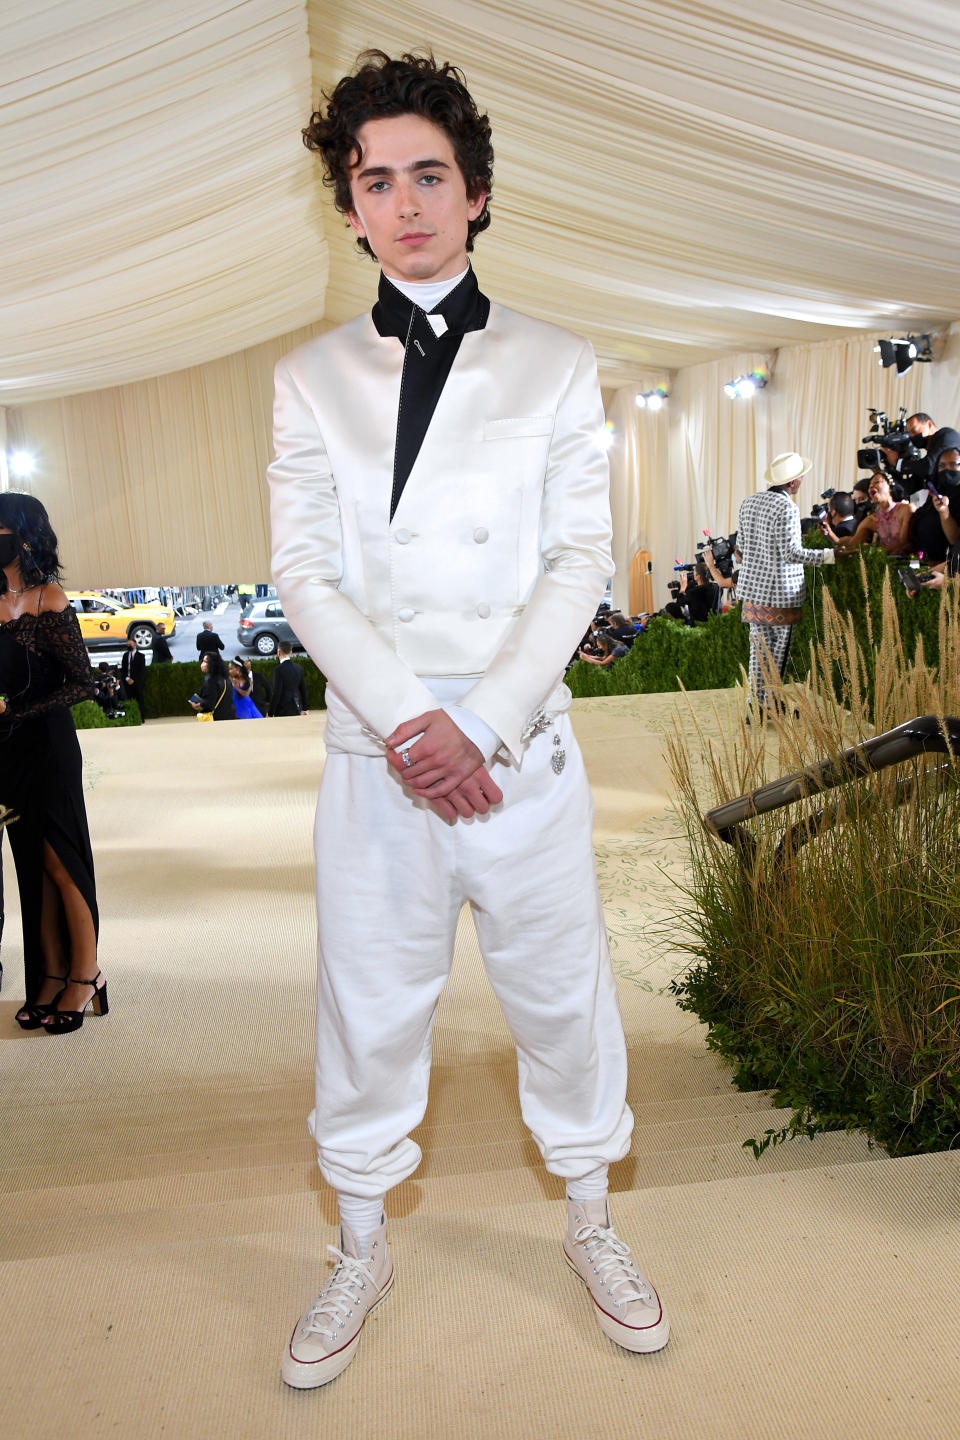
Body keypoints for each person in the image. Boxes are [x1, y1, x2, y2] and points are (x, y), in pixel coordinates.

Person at [268, 50, 667, 1392]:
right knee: (370, 1011)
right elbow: (303, 573)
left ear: (477, 192)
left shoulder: (558, 360)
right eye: (374, 181)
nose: (404, 203)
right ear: (353, 208)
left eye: (427, 175)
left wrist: (479, 724)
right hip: (378, 762)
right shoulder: (308, 375)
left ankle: (592, 1223)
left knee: (562, 1001)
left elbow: (576, 560)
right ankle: (363, 1243)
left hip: (519, 754)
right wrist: (406, 724)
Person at [0, 493, 107, 1034]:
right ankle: (48, 974)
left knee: (61, 860)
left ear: (24, 535)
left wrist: (17, 710)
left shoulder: (51, 599)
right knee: (32, 866)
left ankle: (86, 973)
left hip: (49, 746)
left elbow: (82, 683)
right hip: (7, 750)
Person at [736, 451, 835, 717]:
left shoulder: (749, 502)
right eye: (801, 477)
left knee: (757, 651)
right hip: (781, 593)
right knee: (778, 653)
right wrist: (829, 555)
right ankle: (770, 703)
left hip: (752, 592)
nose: (802, 480)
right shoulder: (787, 507)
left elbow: (740, 548)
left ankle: (755, 703)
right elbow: (792, 553)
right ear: (792, 483)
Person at [822, 473, 911, 555]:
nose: (872, 485)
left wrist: (875, 551)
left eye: (876, 482)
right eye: (870, 485)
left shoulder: (906, 509)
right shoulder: (871, 520)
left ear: (890, 487)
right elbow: (853, 543)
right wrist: (830, 533)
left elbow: (904, 542)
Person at [189, 651, 236, 720]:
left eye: (205, 662)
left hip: (216, 717)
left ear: (212, 664)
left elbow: (210, 702)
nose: (203, 664)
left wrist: (197, 704)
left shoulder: (211, 680)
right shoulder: (226, 678)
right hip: (229, 715)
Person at [268, 642, 308, 717]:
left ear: (278, 652)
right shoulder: (298, 668)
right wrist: (305, 708)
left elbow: (277, 692)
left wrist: (270, 712)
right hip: (297, 707)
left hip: (282, 710)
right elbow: (303, 689)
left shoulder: (278, 669)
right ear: (291, 652)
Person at [120, 634, 146, 714]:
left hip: (137, 682)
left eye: (130, 644)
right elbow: (123, 669)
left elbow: (141, 671)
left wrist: (134, 680)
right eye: (127, 645)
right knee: (129, 700)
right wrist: (127, 679)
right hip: (127, 682)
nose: (128, 646)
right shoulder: (125, 655)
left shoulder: (141, 656)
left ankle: (141, 716)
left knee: (139, 700)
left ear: (135, 645)